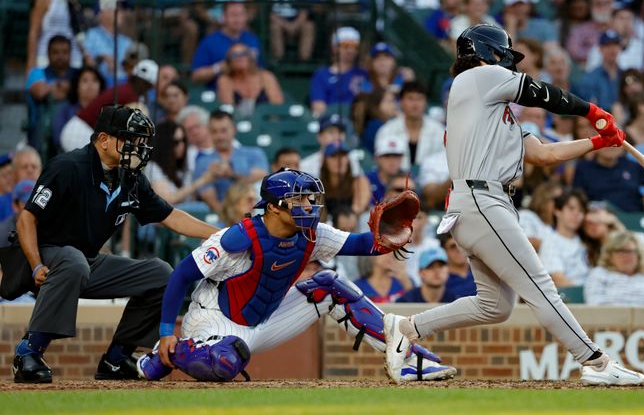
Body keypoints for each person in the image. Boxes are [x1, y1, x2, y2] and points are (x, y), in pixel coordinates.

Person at [382, 24, 644, 386]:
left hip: (482, 204)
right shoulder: (477, 77)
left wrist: (597, 142)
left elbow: (544, 154)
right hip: (480, 199)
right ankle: (595, 363)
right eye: (505, 56)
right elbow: (540, 92)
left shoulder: (492, 113)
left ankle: (406, 328)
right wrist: (592, 110)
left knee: (495, 306)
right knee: (540, 286)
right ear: (488, 53)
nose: (508, 63)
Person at [136, 169, 456, 382]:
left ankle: (409, 361)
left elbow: (360, 244)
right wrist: (167, 332)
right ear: (273, 208)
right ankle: (170, 354)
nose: (309, 206)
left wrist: (389, 236)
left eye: (311, 199)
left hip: (265, 320)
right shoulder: (238, 239)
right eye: (299, 200)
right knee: (225, 361)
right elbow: (181, 275)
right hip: (215, 322)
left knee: (328, 287)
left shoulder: (312, 233)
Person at [0, 105, 219, 384]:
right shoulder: (67, 167)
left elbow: (171, 216)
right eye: (129, 140)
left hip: (84, 261)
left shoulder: (131, 177)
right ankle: (29, 351)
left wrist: (221, 233)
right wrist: (35, 265)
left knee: (161, 274)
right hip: (44, 253)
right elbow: (26, 220)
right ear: (103, 140)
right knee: (73, 260)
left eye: (140, 142)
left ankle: (116, 359)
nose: (137, 148)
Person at [59, 59, 158, 152]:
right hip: (81, 130)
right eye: (143, 83)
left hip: (83, 129)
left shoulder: (127, 90)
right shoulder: (130, 94)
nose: (143, 86)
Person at [193, 110, 269, 215]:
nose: (220, 136)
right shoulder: (202, 162)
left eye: (224, 130)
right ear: (209, 132)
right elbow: (210, 199)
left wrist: (230, 174)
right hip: (224, 217)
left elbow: (262, 176)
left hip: (257, 211)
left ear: (233, 129)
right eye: (214, 131)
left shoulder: (254, 153)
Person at [144, 121, 222, 208]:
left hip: (185, 216)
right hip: (160, 220)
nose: (182, 145)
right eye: (176, 142)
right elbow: (167, 200)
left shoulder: (183, 164)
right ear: (165, 144)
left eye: (183, 140)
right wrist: (202, 180)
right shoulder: (153, 167)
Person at [27, 0, 87, 71]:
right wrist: (31, 63)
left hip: (72, 57)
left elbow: (76, 30)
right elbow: (34, 31)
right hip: (45, 56)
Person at [374, 81, 445, 171]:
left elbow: (442, 164)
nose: (415, 104)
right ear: (401, 102)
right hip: (395, 182)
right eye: (410, 99)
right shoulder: (387, 130)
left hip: (430, 181)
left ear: (426, 102)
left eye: (419, 99)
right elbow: (381, 163)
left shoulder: (439, 131)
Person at [584, 231, 644, 306]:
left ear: (638, 254)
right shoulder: (598, 274)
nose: (626, 256)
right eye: (621, 251)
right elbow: (597, 307)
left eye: (630, 251)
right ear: (609, 255)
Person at [191, 2, 262, 87]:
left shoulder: (253, 40)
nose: (237, 19)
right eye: (233, 15)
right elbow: (196, 76)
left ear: (246, 17)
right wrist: (218, 68)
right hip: (217, 93)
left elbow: (260, 70)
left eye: (241, 14)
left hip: (249, 92)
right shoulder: (210, 41)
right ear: (223, 17)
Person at [309, 26, 368, 117]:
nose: (350, 50)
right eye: (345, 46)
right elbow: (318, 107)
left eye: (354, 46)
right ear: (334, 48)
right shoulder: (322, 75)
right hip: (332, 123)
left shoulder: (363, 74)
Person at [538, 189, 592, 288]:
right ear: (557, 211)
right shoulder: (550, 242)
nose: (576, 214)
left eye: (581, 211)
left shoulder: (589, 240)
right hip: (572, 298)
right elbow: (558, 279)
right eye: (571, 208)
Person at [573, 144, 644, 212]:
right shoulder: (584, 168)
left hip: (634, 218)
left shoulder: (633, 167)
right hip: (600, 220)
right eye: (605, 139)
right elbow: (578, 199)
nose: (610, 145)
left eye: (615, 140)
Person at [216, 43, 284, 115]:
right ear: (229, 62)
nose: (240, 57)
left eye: (243, 54)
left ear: (250, 58)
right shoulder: (225, 80)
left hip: (268, 122)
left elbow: (277, 108)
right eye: (235, 55)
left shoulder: (266, 77)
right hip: (237, 123)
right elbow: (228, 111)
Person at [52, 66, 106, 153]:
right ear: (77, 86)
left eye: (95, 80)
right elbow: (57, 139)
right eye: (85, 80)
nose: (90, 85)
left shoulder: (106, 112)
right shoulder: (65, 111)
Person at [365, 136, 404, 204]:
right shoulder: (367, 179)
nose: (392, 161)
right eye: (387, 156)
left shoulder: (409, 180)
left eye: (396, 156)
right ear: (376, 158)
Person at [438, 231, 476, 299]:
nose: (458, 249)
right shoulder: (441, 278)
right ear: (444, 250)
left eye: (461, 245)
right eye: (453, 246)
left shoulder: (481, 272)